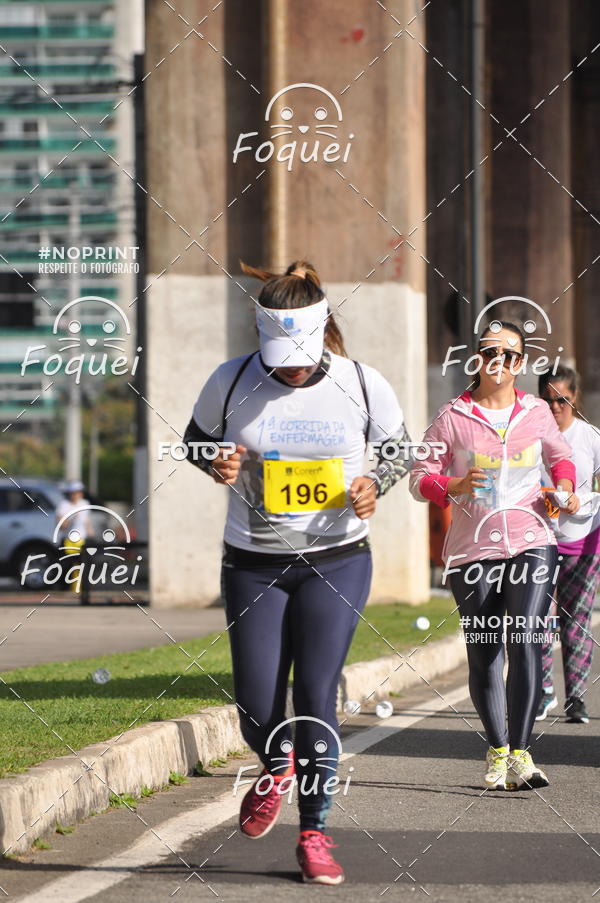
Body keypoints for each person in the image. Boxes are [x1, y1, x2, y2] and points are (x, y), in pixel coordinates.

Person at [184, 260, 411, 885]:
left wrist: (373, 483)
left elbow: (398, 452)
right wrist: (218, 462)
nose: (292, 368)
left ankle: (314, 833)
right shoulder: (230, 381)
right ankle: (276, 761)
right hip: (253, 564)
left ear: (322, 331)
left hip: (337, 560)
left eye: (302, 355)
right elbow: (195, 439)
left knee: (315, 694)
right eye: (280, 356)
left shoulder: (362, 383)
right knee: (257, 703)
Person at [409, 321, 576, 791]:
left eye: (510, 354)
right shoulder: (452, 416)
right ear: (477, 359)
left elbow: (560, 457)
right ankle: (498, 748)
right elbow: (419, 476)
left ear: (520, 364)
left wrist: (562, 487)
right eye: (489, 352)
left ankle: (522, 754)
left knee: (524, 637)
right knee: (485, 653)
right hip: (473, 549)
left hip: (532, 538)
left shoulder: (538, 412)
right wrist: (453, 484)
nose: (499, 361)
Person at [536, 366, 600, 725]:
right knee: (537, 621)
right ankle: (543, 692)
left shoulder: (590, 437)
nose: (554, 406)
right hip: (539, 542)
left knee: (576, 622)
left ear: (574, 398)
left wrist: (584, 500)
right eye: (547, 400)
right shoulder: (530, 439)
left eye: (561, 399)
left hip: (585, 542)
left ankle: (576, 698)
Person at [55, 480, 93, 594]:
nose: (75, 495)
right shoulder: (63, 506)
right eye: (73, 492)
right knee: (67, 566)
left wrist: (91, 534)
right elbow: (61, 525)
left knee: (84, 566)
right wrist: (71, 519)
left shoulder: (85, 504)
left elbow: (86, 521)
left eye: (78, 492)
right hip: (68, 541)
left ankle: (84, 589)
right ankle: (65, 589)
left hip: (82, 541)